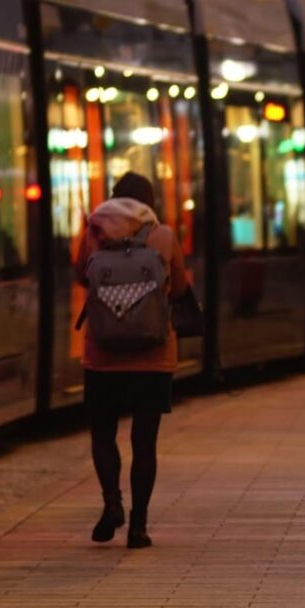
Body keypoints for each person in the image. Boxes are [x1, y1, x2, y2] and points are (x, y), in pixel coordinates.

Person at [75, 172, 188, 549]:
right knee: (145, 441)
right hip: (152, 357)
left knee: (103, 434)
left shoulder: (93, 231)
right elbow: (181, 287)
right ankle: (139, 527)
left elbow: (82, 276)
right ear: (149, 201)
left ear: (113, 197)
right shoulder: (164, 235)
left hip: (102, 354)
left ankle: (112, 503)